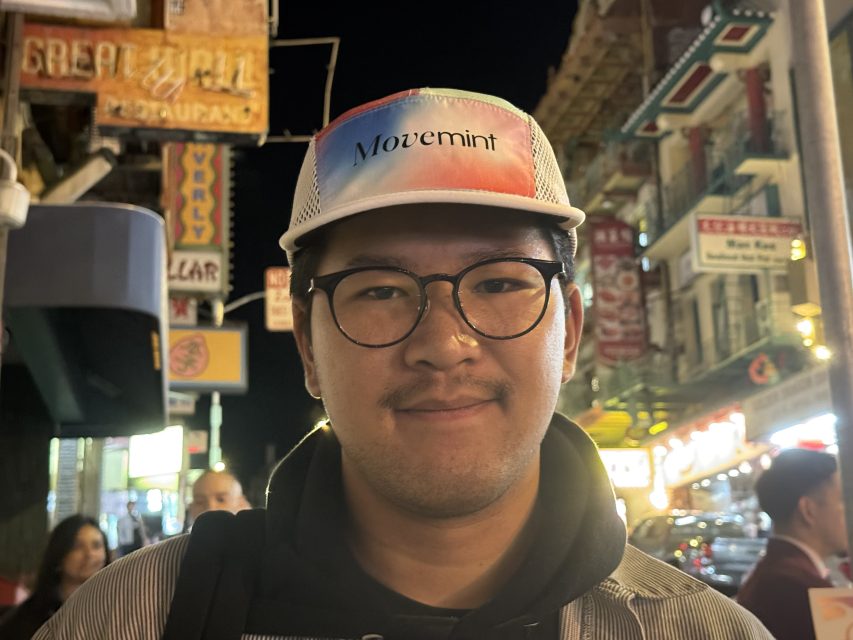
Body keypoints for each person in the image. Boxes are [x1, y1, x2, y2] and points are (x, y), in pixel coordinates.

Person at [33, 88, 773, 639]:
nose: (443, 342)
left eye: (498, 283)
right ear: (309, 350)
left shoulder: (702, 630)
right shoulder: (136, 615)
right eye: (381, 291)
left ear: (570, 331)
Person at [737, 448, 849, 640]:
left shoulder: (774, 575)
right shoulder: (806, 590)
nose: (848, 514)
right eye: (842, 502)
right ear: (808, 510)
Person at [0, 515, 108, 639]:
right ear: (59, 554)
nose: (89, 554)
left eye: (97, 545)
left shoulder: (116, 606)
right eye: (77, 546)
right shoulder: (26, 619)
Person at [185, 469, 250, 530]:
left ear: (242, 504)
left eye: (221, 500)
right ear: (191, 508)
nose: (210, 508)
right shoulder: (179, 541)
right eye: (200, 502)